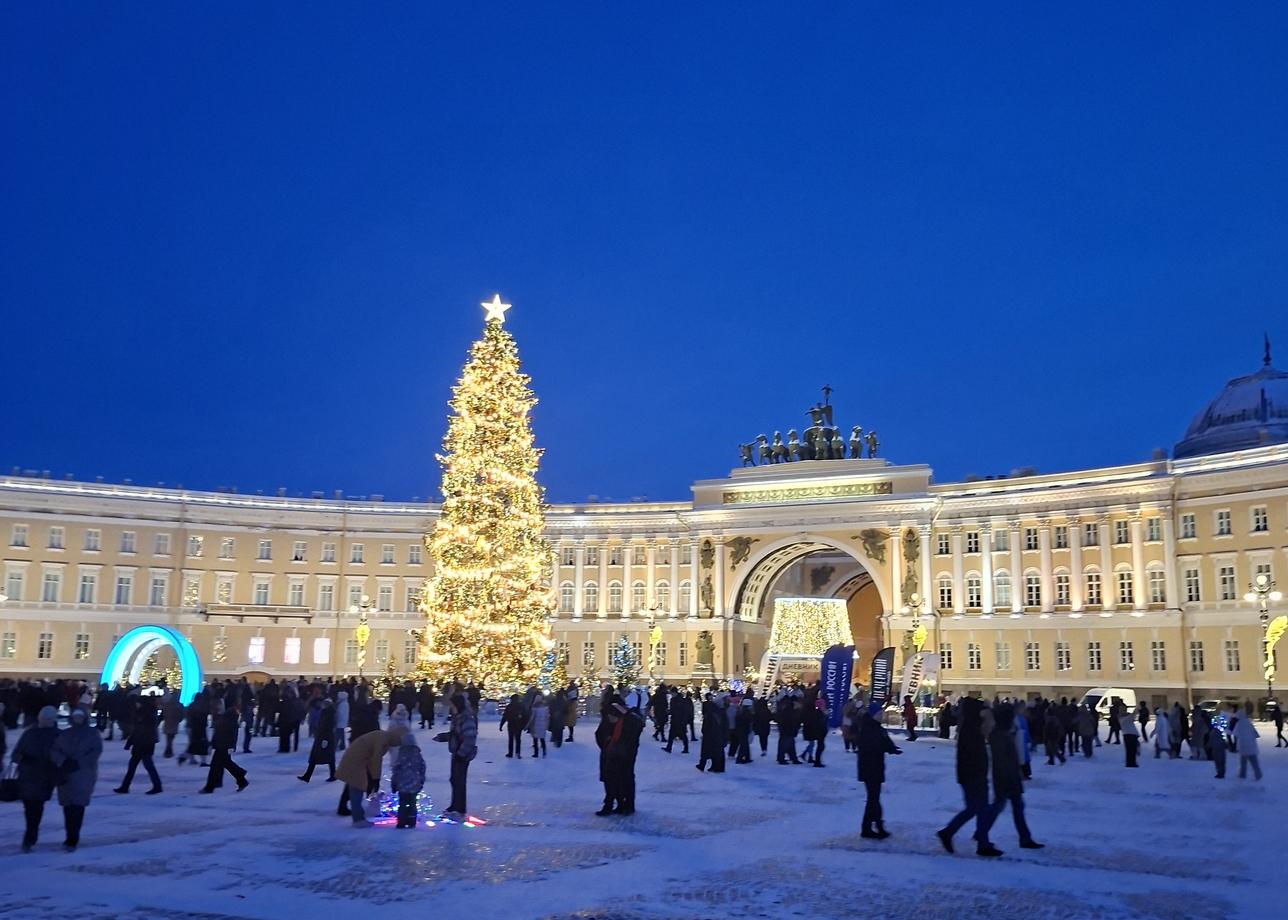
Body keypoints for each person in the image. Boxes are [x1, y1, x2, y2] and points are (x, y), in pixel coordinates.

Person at [936, 698, 1002, 857]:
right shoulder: (971, 730)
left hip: (972, 775)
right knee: (977, 809)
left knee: (978, 809)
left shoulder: (970, 726)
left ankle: (982, 842)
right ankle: (950, 833)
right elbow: (973, 756)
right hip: (973, 775)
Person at [988, 703, 1043, 850]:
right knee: (1001, 807)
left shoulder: (1003, 733)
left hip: (1008, 777)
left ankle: (1024, 838)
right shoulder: (1000, 735)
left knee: (1010, 807)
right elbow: (1003, 761)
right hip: (1006, 779)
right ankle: (982, 832)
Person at [49, 706, 103, 851]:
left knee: (78, 806)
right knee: (68, 806)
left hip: (83, 773)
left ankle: (73, 837)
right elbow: (54, 750)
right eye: (76, 716)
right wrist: (63, 761)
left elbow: (96, 751)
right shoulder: (64, 734)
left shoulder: (92, 734)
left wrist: (79, 762)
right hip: (67, 773)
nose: (78, 719)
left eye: (80, 716)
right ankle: (70, 835)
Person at [11, 705, 59, 852]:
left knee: (34, 807)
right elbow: (16, 753)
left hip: (40, 776)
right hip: (31, 775)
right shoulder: (33, 733)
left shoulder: (53, 734)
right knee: (31, 807)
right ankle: (31, 834)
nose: (44, 721)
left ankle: (30, 835)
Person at [336, 725, 406, 825]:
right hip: (356, 761)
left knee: (356, 788)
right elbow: (376, 760)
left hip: (358, 760)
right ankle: (358, 820)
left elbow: (373, 759)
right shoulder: (382, 739)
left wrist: (373, 778)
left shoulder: (383, 738)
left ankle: (358, 817)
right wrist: (376, 779)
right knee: (357, 789)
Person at [856, 701, 902, 839]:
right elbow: (873, 745)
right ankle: (867, 828)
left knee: (874, 798)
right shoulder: (869, 728)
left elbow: (884, 742)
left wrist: (892, 749)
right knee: (873, 799)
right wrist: (887, 748)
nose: (882, 716)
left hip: (874, 766)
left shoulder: (876, 727)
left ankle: (877, 826)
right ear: (873, 714)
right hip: (870, 767)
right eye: (879, 713)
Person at [595, 697, 644, 815]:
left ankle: (625, 805)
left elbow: (631, 738)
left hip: (624, 754)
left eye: (611, 717)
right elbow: (599, 734)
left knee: (623, 778)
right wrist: (607, 743)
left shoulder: (630, 721)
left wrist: (616, 745)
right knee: (613, 778)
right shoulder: (614, 719)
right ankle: (619, 804)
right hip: (612, 753)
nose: (609, 719)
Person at [439, 693, 478, 816]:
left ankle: (460, 807)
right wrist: (443, 737)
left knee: (459, 780)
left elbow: (470, 737)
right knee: (454, 780)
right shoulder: (458, 716)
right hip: (456, 752)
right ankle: (455, 804)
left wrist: (461, 754)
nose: (451, 707)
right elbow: (456, 734)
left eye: (452, 705)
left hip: (462, 754)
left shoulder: (466, 718)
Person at [115, 696, 162, 795]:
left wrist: (130, 742)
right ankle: (125, 786)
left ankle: (156, 786)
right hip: (144, 743)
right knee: (140, 766)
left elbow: (138, 730)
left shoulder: (143, 714)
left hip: (142, 744)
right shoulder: (148, 713)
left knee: (144, 766)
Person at [200, 700, 249, 794]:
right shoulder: (228, 717)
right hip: (223, 745)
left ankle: (209, 787)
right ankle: (240, 777)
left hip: (222, 745)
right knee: (226, 763)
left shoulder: (227, 718)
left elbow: (224, 733)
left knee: (216, 766)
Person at [391, 733, 426, 829]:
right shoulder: (417, 754)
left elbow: (396, 770)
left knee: (402, 803)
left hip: (402, 785)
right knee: (412, 803)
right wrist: (421, 781)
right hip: (414, 784)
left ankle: (401, 821)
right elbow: (422, 768)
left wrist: (394, 783)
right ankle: (411, 821)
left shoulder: (401, 754)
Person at [298, 699, 337, 782]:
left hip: (325, 739)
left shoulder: (329, 715)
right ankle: (308, 775)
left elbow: (328, 728)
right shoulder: (326, 713)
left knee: (324, 758)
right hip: (322, 738)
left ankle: (308, 776)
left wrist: (325, 739)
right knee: (325, 758)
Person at [697, 693, 728, 773]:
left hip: (712, 733)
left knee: (711, 750)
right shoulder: (721, 711)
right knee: (717, 751)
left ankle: (713, 766)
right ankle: (717, 767)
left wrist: (704, 730)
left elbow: (708, 722)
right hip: (717, 733)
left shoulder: (714, 710)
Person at [1231, 712, 1263, 780]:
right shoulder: (1249, 723)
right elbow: (1256, 734)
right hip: (1251, 746)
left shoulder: (1238, 724)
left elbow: (1235, 733)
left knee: (1243, 762)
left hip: (1243, 746)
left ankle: (1242, 774)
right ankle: (1258, 774)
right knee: (1254, 762)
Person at [775, 694, 801, 764]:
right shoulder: (790, 710)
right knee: (785, 745)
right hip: (787, 730)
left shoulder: (789, 708)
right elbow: (790, 721)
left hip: (787, 730)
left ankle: (792, 758)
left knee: (790, 745)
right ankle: (782, 758)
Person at [804, 696, 828, 767]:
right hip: (820, 733)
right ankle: (817, 761)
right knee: (820, 747)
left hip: (819, 732)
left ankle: (816, 760)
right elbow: (820, 724)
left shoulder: (816, 713)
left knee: (820, 747)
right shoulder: (819, 714)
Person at [664, 688, 690, 754]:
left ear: (674, 693)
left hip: (676, 720)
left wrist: (668, 712)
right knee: (682, 734)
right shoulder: (682, 699)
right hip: (682, 720)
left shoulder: (673, 700)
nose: (671, 695)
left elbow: (673, 710)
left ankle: (669, 747)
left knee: (673, 734)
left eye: (672, 693)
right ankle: (686, 748)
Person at [500, 693, 526, 759]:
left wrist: (501, 725)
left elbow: (505, 716)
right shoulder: (521, 706)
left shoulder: (509, 706)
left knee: (511, 739)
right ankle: (518, 753)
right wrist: (524, 725)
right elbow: (525, 716)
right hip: (518, 725)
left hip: (511, 724)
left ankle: (510, 753)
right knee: (518, 739)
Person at [161, 691, 184, 759]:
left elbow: (163, 713)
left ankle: (168, 749)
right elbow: (181, 714)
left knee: (168, 737)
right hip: (174, 722)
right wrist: (179, 719)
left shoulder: (167, 704)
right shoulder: (179, 705)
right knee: (171, 737)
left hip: (167, 722)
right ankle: (169, 750)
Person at [526, 694, 549, 758]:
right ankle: (544, 751)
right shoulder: (545, 707)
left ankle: (536, 753)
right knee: (542, 739)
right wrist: (547, 725)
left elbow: (532, 718)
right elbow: (547, 717)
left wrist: (527, 725)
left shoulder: (534, 707)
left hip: (535, 725)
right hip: (543, 725)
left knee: (535, 740)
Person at [733, 697, 754, 764]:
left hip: (740, 729)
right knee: (744, 744)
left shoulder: (740, 711)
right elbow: (749, 720)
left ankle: (747, 757)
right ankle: (740, 758)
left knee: (745, 744)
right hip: (744, 730)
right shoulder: (746, 713)